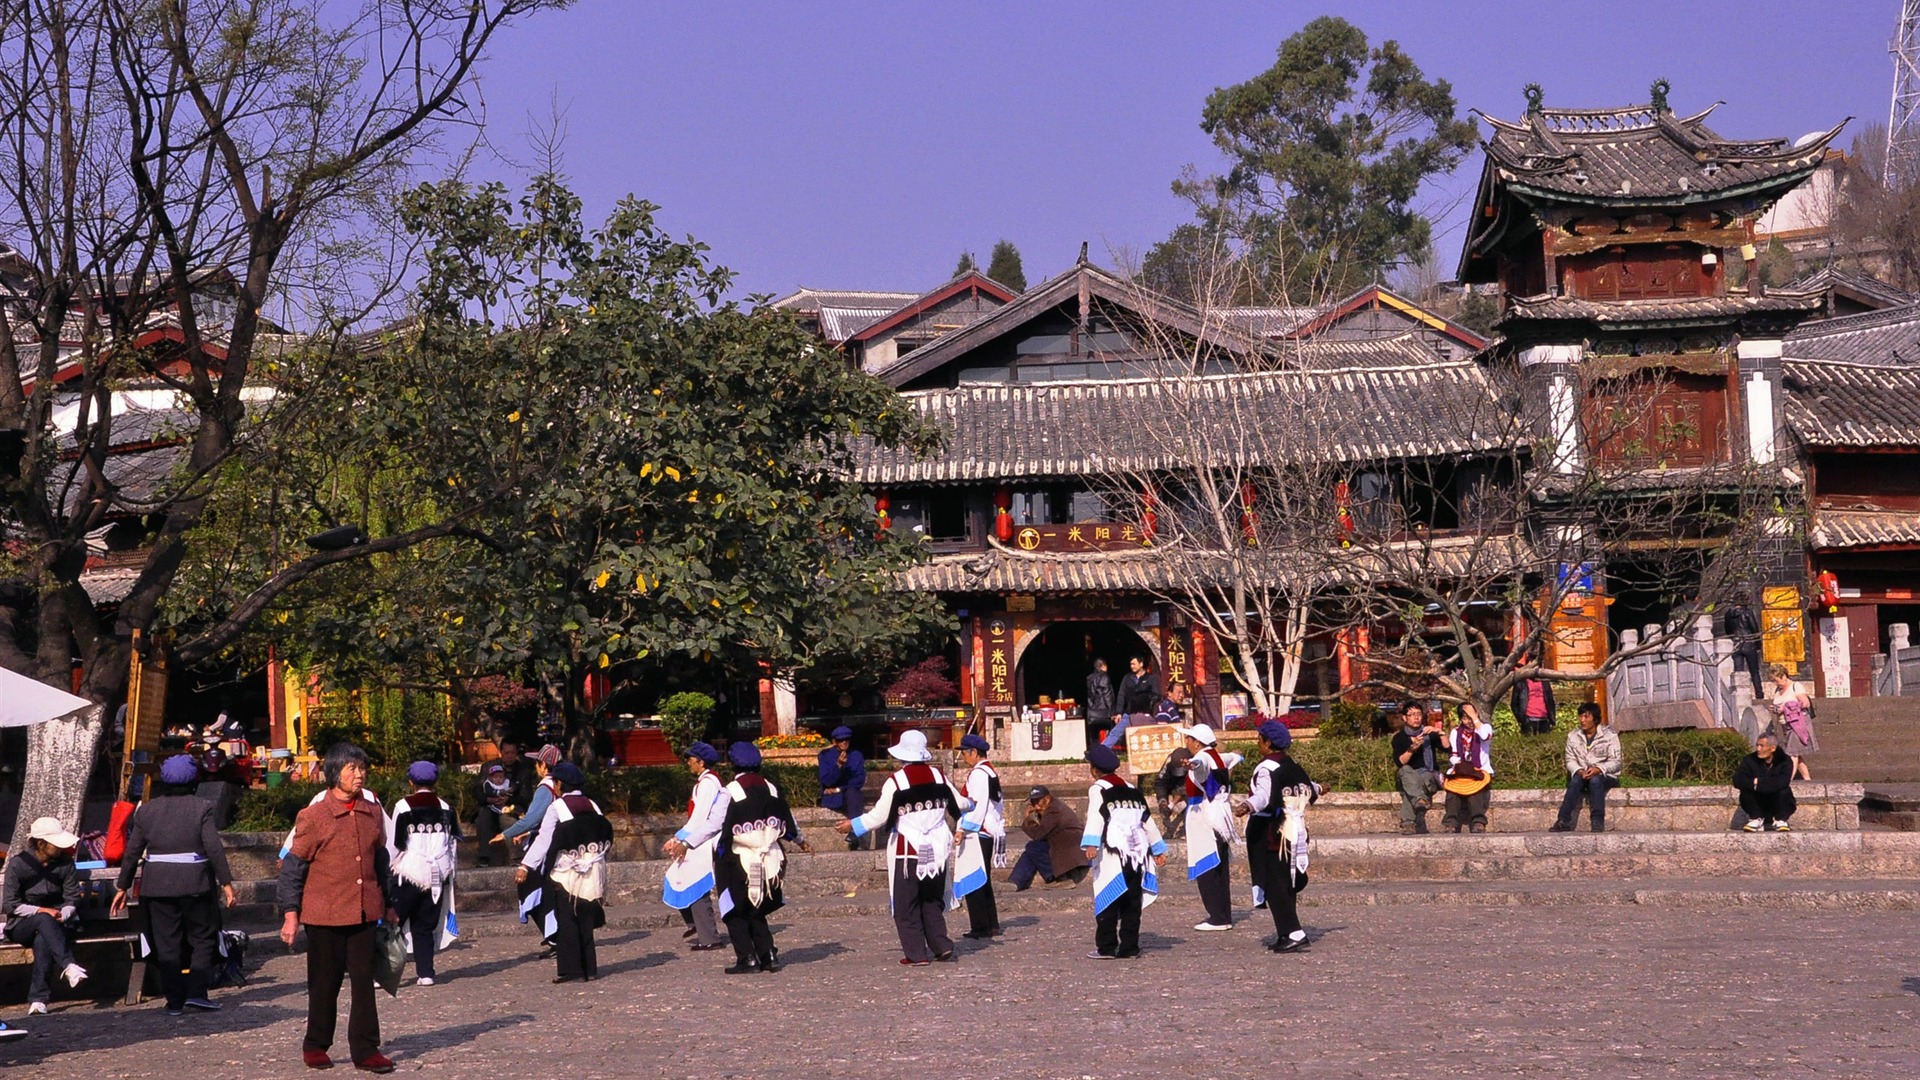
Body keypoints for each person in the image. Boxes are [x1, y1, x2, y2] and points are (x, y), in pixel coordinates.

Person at [277, 743, 396, 1073]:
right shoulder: (313, 817)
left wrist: (388, 903)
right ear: (333, 774)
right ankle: (315, 1044)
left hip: (363, 911)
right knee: (324, 983)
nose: (360, 775)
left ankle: (366, 1048)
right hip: (324, 914)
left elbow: (381, 860)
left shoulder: (372, 812)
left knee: (363, 983)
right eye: (352, 769)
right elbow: (293, 867)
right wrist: (291, 914)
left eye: (362, 768)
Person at [112, 753, 236, 1014]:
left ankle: (174, 1001)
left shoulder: (146, 811)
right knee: (202, 938)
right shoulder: (201, 807)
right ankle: (196, 992)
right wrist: (226, 882)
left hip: (157, 885)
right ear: (193, 779)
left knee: (166, 943)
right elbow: (213, 847)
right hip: (195, 883)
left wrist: (122, 887)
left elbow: (132, 852)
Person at [834, 730, 964, 966]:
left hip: (909, 849)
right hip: (936, 848)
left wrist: (852, 825)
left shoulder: (896, 782)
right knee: (932, 899)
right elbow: (961, 804)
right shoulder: (939, 776)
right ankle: (941, 945)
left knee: (907, 903)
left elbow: (879, 816)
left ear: (902, 755)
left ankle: (917, 953)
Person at [713, 742, 809, 974]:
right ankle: (769, 954)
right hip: (768, 856)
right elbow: (789, 820)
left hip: (737, 856)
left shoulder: (730, 791)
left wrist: (685, 841)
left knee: (733, 907)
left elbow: (713, 823)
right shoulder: (771, 788)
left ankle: (747, 957)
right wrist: (800, 840)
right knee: (756, 907)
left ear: (733, 764)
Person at [517, 762, 613, 983]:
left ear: (560, 784)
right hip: (594, 870)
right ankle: (590, 968)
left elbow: (544, 841)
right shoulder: (593, 805)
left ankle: (572, 969)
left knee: (567, 919)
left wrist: (526, 865)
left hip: (566, 872)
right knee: (586, 920)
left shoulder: (557, 808)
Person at [1235, 720, 1320, 953]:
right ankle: (1286, 932)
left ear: (1268, 742)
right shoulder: (1294, 766)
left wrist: (1247, 805)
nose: (1257, 742)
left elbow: (1263, 795)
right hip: (1295, 831)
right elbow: (1307, 788)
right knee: (1286, 882)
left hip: (1272, 831)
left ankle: (1294, 932)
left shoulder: (1267, 768)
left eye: (1259, 738)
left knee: (1274, 884)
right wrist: (1321, 788)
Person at [1079, 743, 1167, 959]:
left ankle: (1106, 947)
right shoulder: (1131, 789)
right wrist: (1158, 848)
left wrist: (1091, 843)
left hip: (1112, 854)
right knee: (1131, 902)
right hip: (1137, 854)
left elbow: (1097, 816)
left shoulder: (1098, 788)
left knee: (1108, 897)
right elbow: (1146, 821)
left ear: (1094, 769)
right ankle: (1129, 947)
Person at [2, 816, 88, 1015]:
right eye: (55, 844)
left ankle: (39, 1000)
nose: (60, 849)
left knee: (43, 939)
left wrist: (63, 914)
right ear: (41, 844)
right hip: (23, 925)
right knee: (43, 919)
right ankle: (69, 964)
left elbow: (72, 898)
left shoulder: (65, 864)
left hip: (57, 925)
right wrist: (41, 911)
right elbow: (10, 904)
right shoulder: (18, 865)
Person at [386, 761, 459, 987]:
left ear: (411, 782)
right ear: (435, 782)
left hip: (409, 872)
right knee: (425, 925)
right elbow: (452, 845)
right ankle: (426, 972)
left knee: (393, 924)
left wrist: (385, 867)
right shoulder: (447, 808)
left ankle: (385, 974)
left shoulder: (403, 807)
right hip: (437, 874)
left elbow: (395, 843)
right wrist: (450, 872)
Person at [660, 742, 729, 952]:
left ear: (701, 762)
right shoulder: (706, 782)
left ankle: (707, 935)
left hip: (702, 841)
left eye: (691, 759)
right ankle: (696, 926)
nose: (688, 763)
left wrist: (681, 840)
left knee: (696, 886)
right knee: (677, 880)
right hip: (697, 838)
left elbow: (700, 818)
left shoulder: (708, 784)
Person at [1176, 723, 1239, 930]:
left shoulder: (1203, 756)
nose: (1187, 742)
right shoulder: (1219, 756)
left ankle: (1217, 917)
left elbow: (1200, 764)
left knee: (1207, 865)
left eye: (1189, 739)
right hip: (1221, 814)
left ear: (1197, 742)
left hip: (1204, 815)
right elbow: (1234, 757)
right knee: (1220, 866)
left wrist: (1192, 764)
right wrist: (1239, 756)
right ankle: (1223, 915)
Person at [953, 733, 1005, 940]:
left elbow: (976, 804)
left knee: (974, 879)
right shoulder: (989, 772)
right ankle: (991, 924)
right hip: (988, 830)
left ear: (974, 752)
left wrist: (963, 829)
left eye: (965, 753)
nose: (964, 757)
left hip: (978, 831)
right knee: (984, 880)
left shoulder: (979, 774)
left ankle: (980, 926)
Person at [1551, 703, 1621, 833]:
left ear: (1595, 719)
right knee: (1575, 781)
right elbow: (1570, 760)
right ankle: (1563, 821)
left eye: (1586, 717)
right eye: (1580, 716)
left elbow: (1616, 762)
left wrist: (1599, 769)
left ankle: (1597, 821)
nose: (1582, 720)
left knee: (1596, 781)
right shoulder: (1573, 736)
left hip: (1605, 776)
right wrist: (1579, 770)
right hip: (1582, 774)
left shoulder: (1610, 736)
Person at [1009, 786, 1089, 891]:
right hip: (1062, 845)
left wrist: (1028, 819)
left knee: (1033, 846)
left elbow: (1038, 834)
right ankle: (1015, 882)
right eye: (1033, 802)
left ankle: (1058, 879)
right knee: (1031, 851)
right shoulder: (1052, 807)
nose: (1036, 806)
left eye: (1038, 802)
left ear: (1047, 798)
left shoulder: (1054, 810)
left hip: (1071, 851)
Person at [498, 745, 564, 856]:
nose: (535, 767)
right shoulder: (563, 782)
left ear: (543, 765)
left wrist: (505, 834)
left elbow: (531, 820)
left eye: (537, 763)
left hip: (551, 845)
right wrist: (529, 833)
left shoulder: (546, 786)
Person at [1391, 702, 1443, 834]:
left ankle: (1408, 822)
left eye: (1419, 714)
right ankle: (1420, 799)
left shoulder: (1429, 734)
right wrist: (1412, 749)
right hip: (1408, 776)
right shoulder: (1399, 738)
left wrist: (1440, 732)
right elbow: (1400, 762)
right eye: (1412, 714)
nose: (1416, 718)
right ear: (1404, 718)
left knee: (1423, 778)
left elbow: (1448, 749)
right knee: (1405, 771)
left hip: (1427, 775)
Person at [1441, 704, 1494, 834]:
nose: (1469, 721)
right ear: (1460, 719)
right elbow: (1453, 755)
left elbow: (1485, 736)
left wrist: (1474, 718)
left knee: (1474, 790)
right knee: (1452, 791)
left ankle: (1478, 821)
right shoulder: (1456, 732)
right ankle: (1451, 823)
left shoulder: (1484, 728)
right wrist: (1461, 766)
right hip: (1461, 770)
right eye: (1465, 718)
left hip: (1480, 770)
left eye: (1471, 717)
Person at [818, 726, 868, 851]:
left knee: (854, 793)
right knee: (852, 794)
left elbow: (859, 780)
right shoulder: (825, 755)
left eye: (846, 740)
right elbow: (826, 781)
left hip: (848, 793)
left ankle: (854, 833)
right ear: (834, 742)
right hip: (833, 797)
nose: (844, 743)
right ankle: (855, 832)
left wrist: (839, 789)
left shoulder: (856, 755)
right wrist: (838, 765)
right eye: (840, 740)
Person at [1734, 734, 1798, 832]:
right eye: (1757, 745)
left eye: (1762, 746)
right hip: (1757, 801)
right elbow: (1738, 780)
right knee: (1746, 791)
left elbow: (1782, 782)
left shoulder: (1785, 761)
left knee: (1784, 791)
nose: (1758, 749)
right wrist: (1764, 783)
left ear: (1772, 748)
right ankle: (1756, 818)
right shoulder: (1749, 760)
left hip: (1776, 800)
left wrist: (1758, 782)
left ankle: (1780, 819)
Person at [1764, 665, 1817, 781]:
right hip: (1786, 724)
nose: (1775, 683)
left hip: (1798, 724)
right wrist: (1775, 709)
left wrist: (1787, 707)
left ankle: (1787, 780)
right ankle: (1807, 778)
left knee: (1792, 753)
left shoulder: (1795, 686)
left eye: (1776, 680)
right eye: (1773, 681)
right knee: (1796, 752)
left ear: (1783, 676)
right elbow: (1780, 707)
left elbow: (1805, 703)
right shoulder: (1778, 690)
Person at [1103, 655, 1159, 749]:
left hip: (1145, 714)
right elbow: (1121, 695)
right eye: (1131, 664)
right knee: (1116, 732)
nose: (1132, 666)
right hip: (1129, 713)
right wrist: (1119, 712)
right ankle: (1102, 750)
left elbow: (1157, 695)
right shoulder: (1127, 678)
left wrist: (1148, 703)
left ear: (1141, 664)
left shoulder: (1150, 678)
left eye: (1134, 664)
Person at [473, 764, 515, 866]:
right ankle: (484, 857)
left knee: (509, 821)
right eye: (495, 777)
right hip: (490, 806)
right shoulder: (487, 784)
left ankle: (516, 857)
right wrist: (490, 799)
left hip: (507, 806)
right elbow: (479, 793)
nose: (499, 780)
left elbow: (520, 793)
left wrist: (508, 798)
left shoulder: (512, 778)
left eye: (501, 777)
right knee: (483, 819)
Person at [1151, 744, 1193, 840]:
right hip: (1174, 787)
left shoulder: (1195, 761)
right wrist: (1162, 800)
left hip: (1192, 791)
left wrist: (1185, 802)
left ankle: (1185, 830)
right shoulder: (1169, 763)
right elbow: (1160, 783)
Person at [1728, 601, 1764, 698]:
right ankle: (1759, 694)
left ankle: (1739, 694)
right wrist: (1758, 644)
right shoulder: (1747, 612)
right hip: (1749, 642)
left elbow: (1727, 629)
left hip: (1736, 643)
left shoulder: (1728, 614)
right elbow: (1754, 628)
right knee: (1754, 671)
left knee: (1738, 670)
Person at [497, 742, 537, 811]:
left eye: (512, 753)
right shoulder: (489, 767)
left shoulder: (524, 770)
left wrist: (509, 799)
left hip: (515, 807)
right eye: (507, 753)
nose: (510, 756)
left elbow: (526, 797)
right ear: (500, 753)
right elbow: (479, 789)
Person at [1085, 658, 1114, 743]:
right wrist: (1112, 712)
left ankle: (1095, 753)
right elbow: (1107, 695)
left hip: (1092, 712)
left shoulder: (1089, 678)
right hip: (1104, 712)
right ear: (1103, 666)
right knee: (1110, 734)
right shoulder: (1104, 677)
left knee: (1094, 737)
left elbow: (1090, 696)